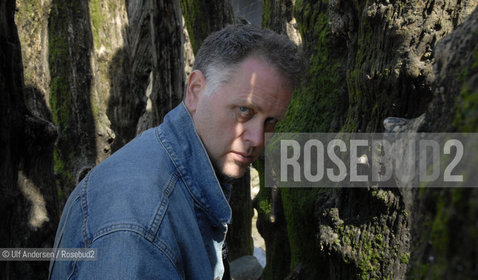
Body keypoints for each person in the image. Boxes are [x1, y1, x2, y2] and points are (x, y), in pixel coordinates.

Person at [49, 24, 305, 279]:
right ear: (195, 92)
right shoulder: (140, 227)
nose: (258, 138)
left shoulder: (176, 166)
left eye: (271, 121)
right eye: (244, 111)